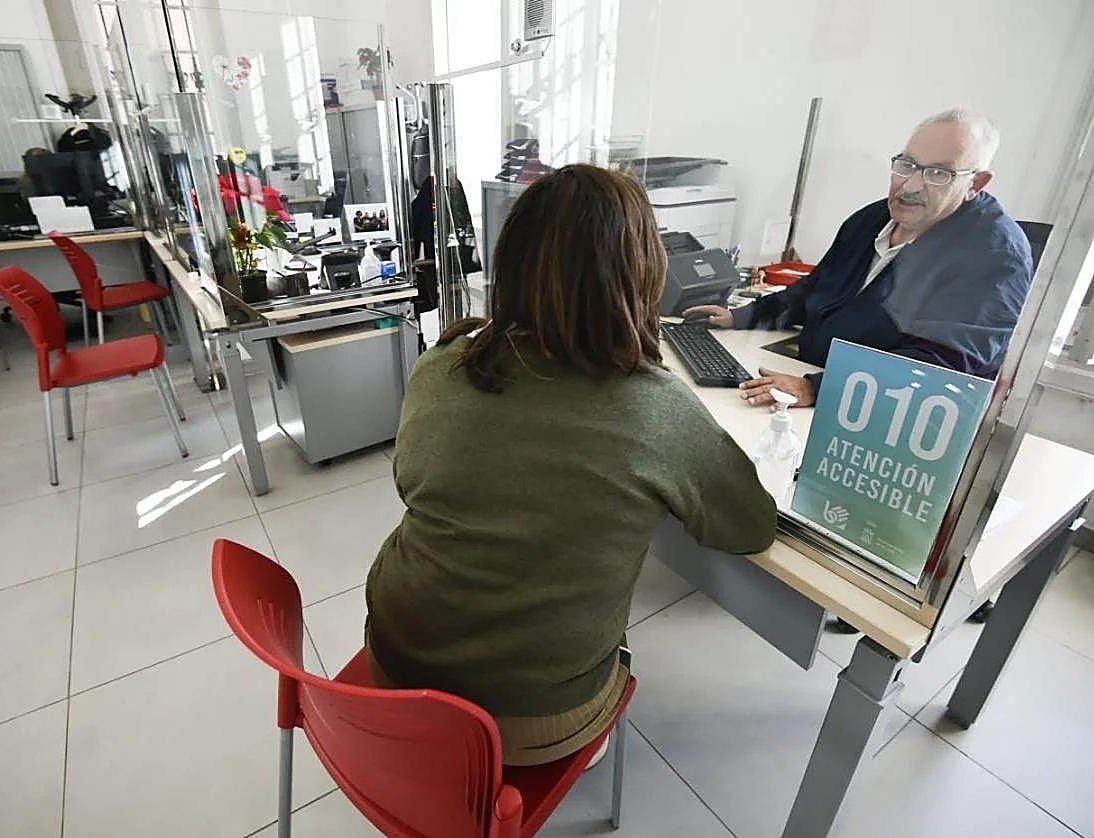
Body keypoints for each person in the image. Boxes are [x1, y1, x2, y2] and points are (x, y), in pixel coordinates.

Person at [365, 164, 777, 766]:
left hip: (395, 662)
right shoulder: (657, 407)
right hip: (530, 724)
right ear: (642, 275)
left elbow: (410, 480)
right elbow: (748, 527)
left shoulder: (447, 360)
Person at [687, 108, 1033, 412]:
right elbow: (816, 290)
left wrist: (818, 388)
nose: (910, 185)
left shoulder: (995, 256)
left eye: (938, 174)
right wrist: (742, 316)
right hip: (817, 390)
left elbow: (942, 369)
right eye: (907, 165)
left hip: (879, 421)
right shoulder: (873, 220)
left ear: (977, 183)